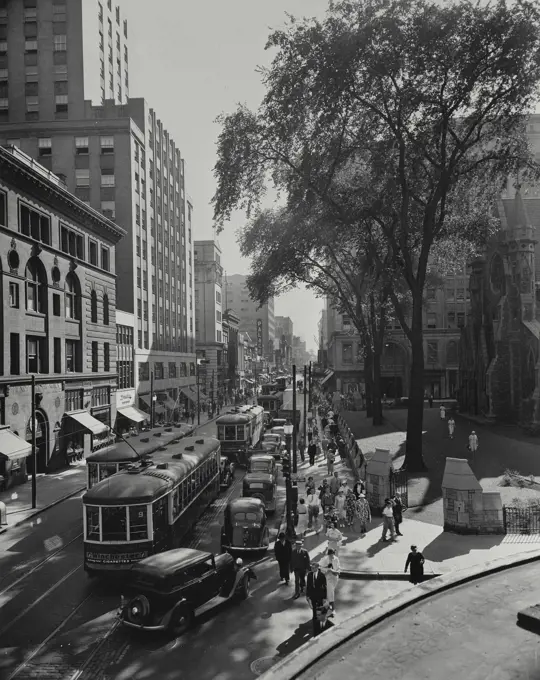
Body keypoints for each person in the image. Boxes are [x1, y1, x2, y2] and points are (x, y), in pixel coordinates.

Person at [306, 562, 328, 636]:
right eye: (311, 567)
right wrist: (307, 595)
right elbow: (308, 585)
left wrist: (324, 597)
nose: (312, 569)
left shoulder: (322, 575)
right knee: (314, 607)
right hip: (312, 595)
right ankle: (314, 617)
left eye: (313, 567)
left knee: (319, 607)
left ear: (317, 568)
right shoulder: (309, 575)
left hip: (320, 595)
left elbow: (324, 587)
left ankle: (320, 620)